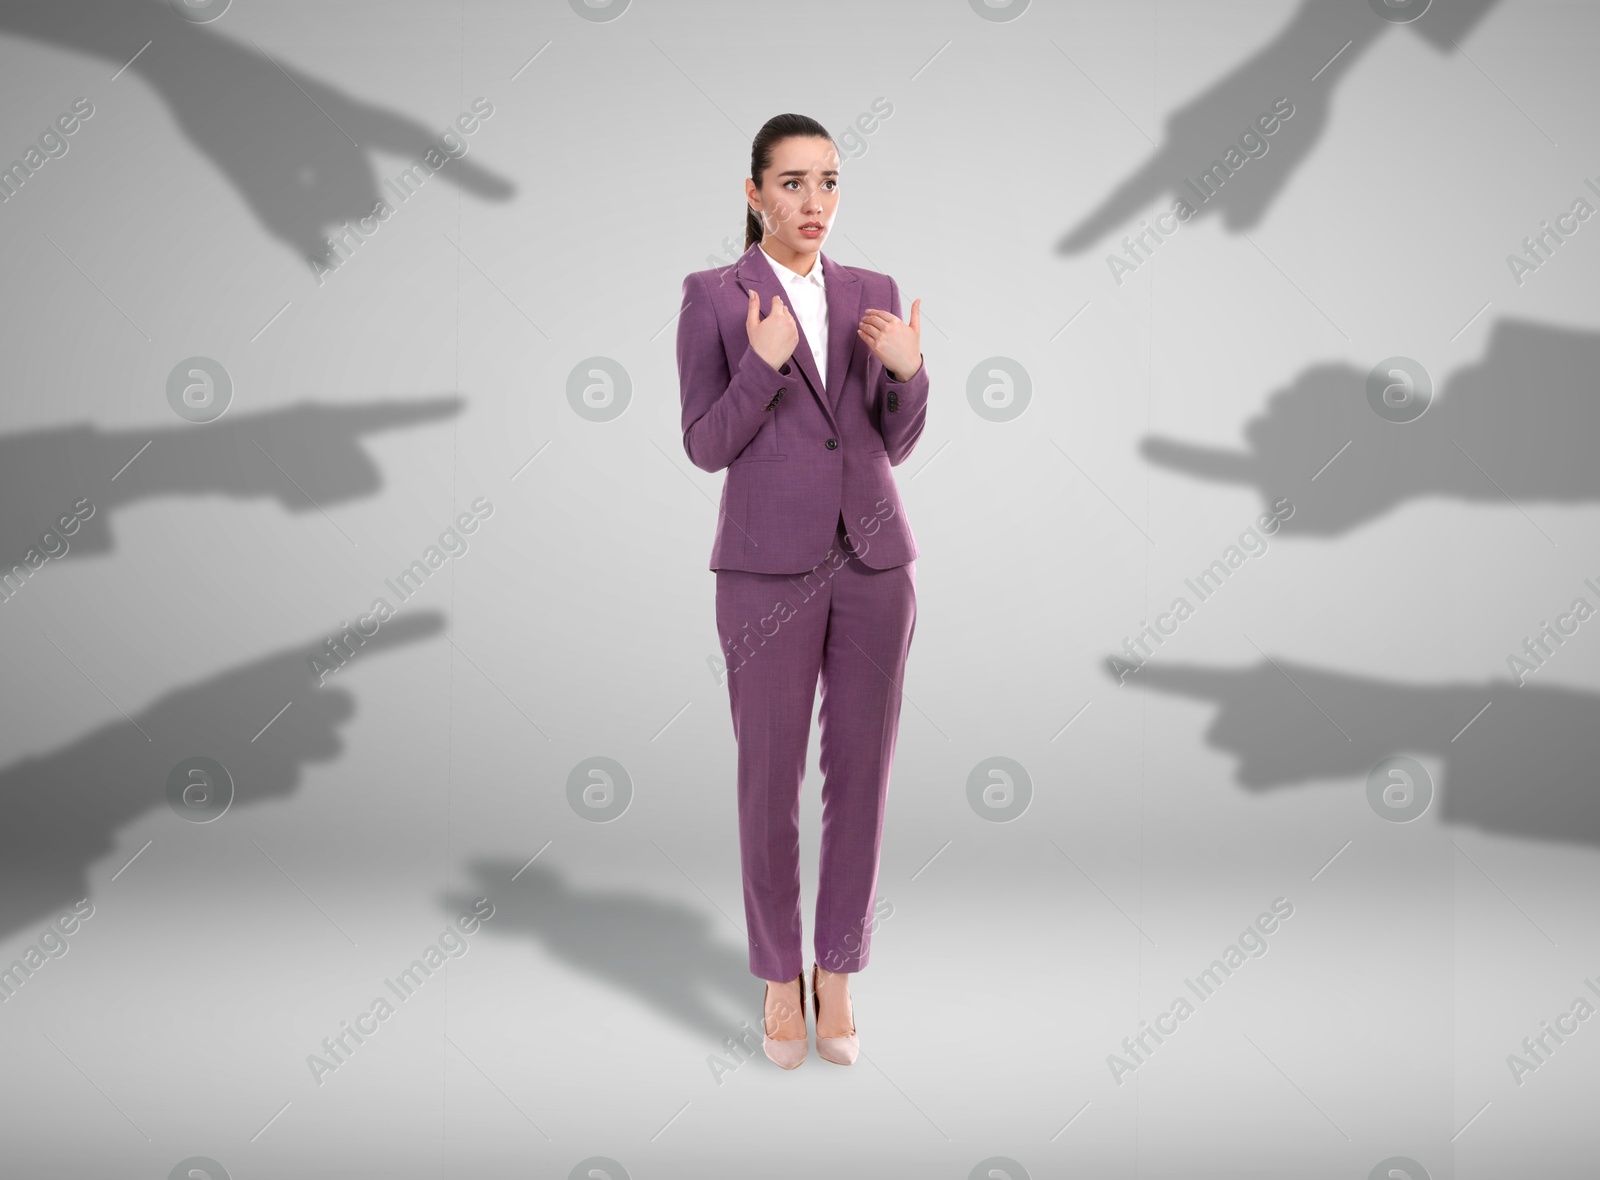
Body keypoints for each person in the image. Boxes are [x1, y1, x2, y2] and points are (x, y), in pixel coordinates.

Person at [675, 112, 929, 1069]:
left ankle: (841, 971)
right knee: (768, 780)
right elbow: (705, 445)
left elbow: (887, 440)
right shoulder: (713, 297)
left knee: (862, 778)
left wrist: (911, 376)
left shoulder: (874, 291)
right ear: (753, 194)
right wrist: (763, 361)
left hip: (874, 565)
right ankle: (781, 977)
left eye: (827, 182)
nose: (813, 203)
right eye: (791, 183)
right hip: (762, 572)